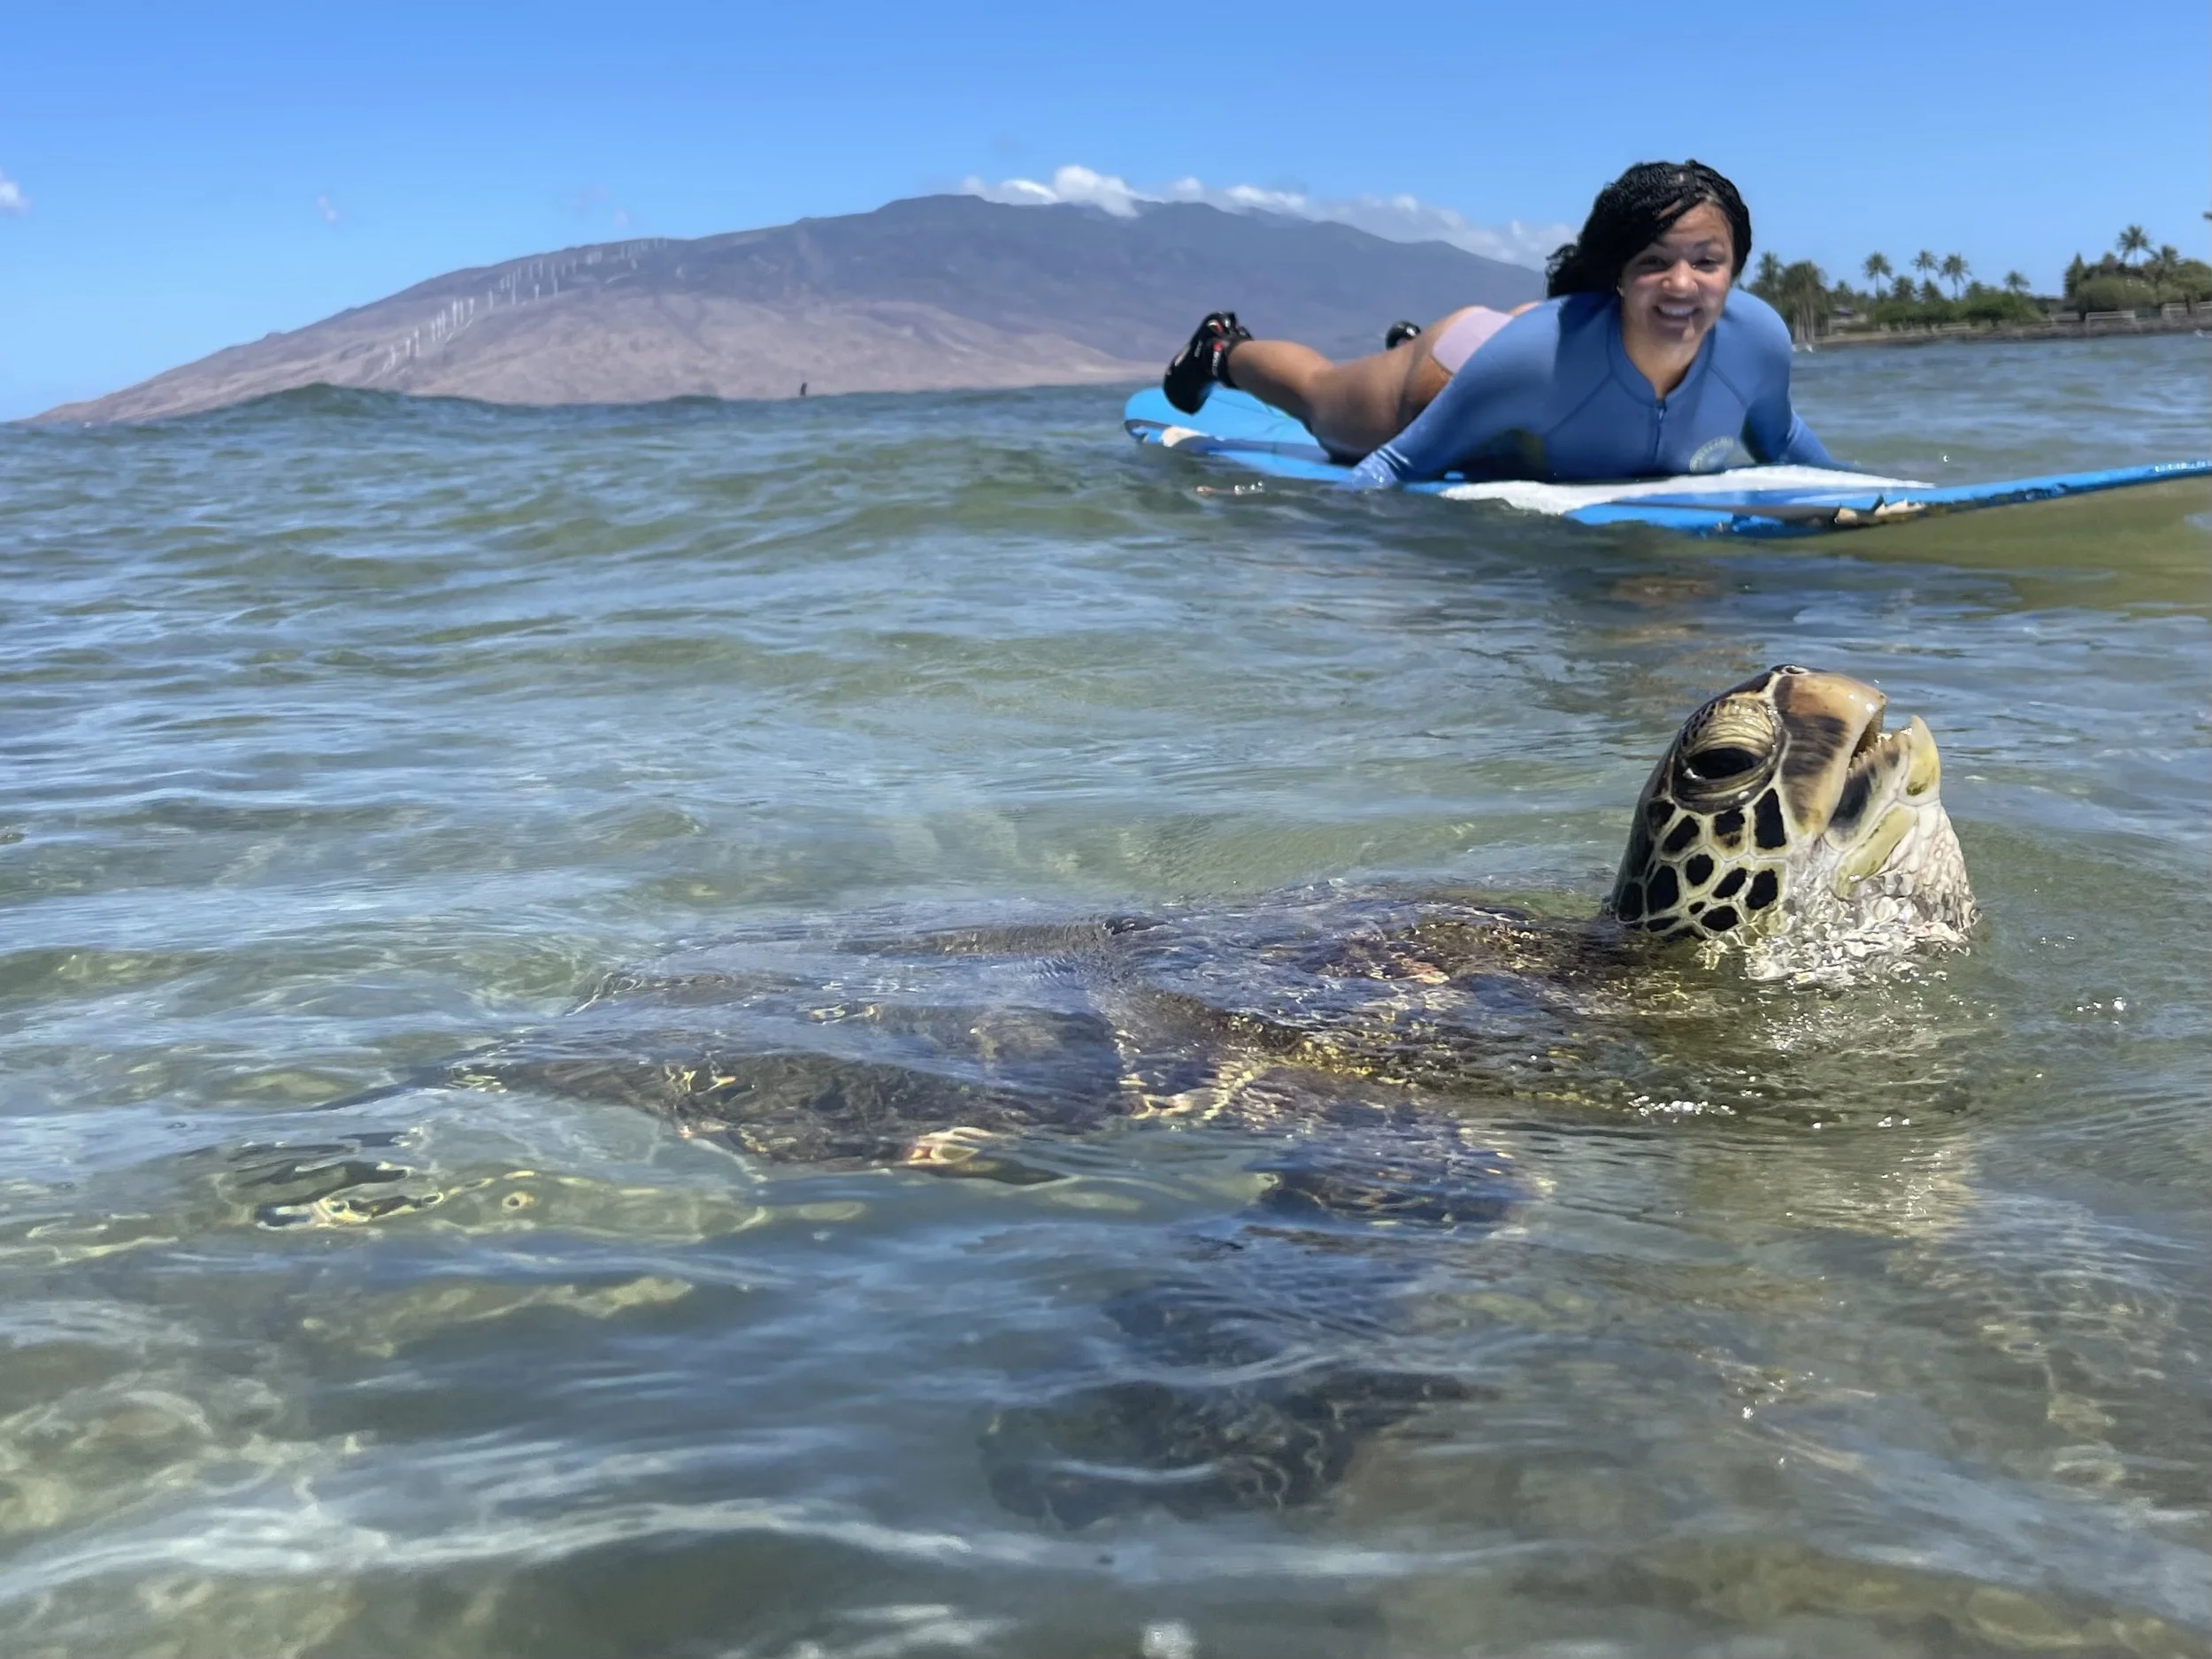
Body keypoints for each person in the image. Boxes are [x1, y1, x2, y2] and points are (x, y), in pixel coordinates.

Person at [1159, 160, 1834, 487]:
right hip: (1450, 375)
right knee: (1321, 400)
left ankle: (1404, 344)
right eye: (1654, 262)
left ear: (1737, 266)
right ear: (1616, 274)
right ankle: (1224, 348)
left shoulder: (1758, 341)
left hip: (1525, 358)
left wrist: (1880, 497)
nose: (1683, 284)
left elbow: (1780, 436)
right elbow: (1391, 466)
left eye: (1707, 261)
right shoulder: (1533, 359)